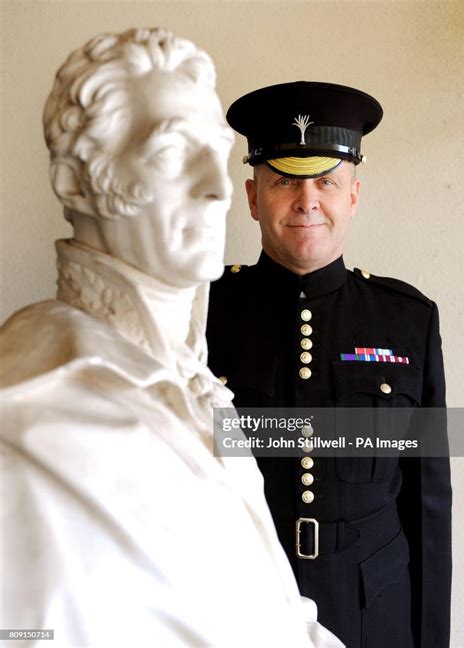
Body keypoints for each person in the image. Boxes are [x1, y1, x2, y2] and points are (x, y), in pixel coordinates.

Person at [0, 34, 343, 647]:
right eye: (171, 153)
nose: (217, 189)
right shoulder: (26, 414)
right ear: (77, 185)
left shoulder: (204, 393)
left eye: (216, 152)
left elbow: (278, 614)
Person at [207, 81, 452, 648]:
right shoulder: (201, 316)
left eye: (327, 181)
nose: (307, 200)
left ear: (354, 195)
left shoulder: (408, 321)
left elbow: (428, 504)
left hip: (372, 613)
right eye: (285, 180)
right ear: (251, 196)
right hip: (235, 611)